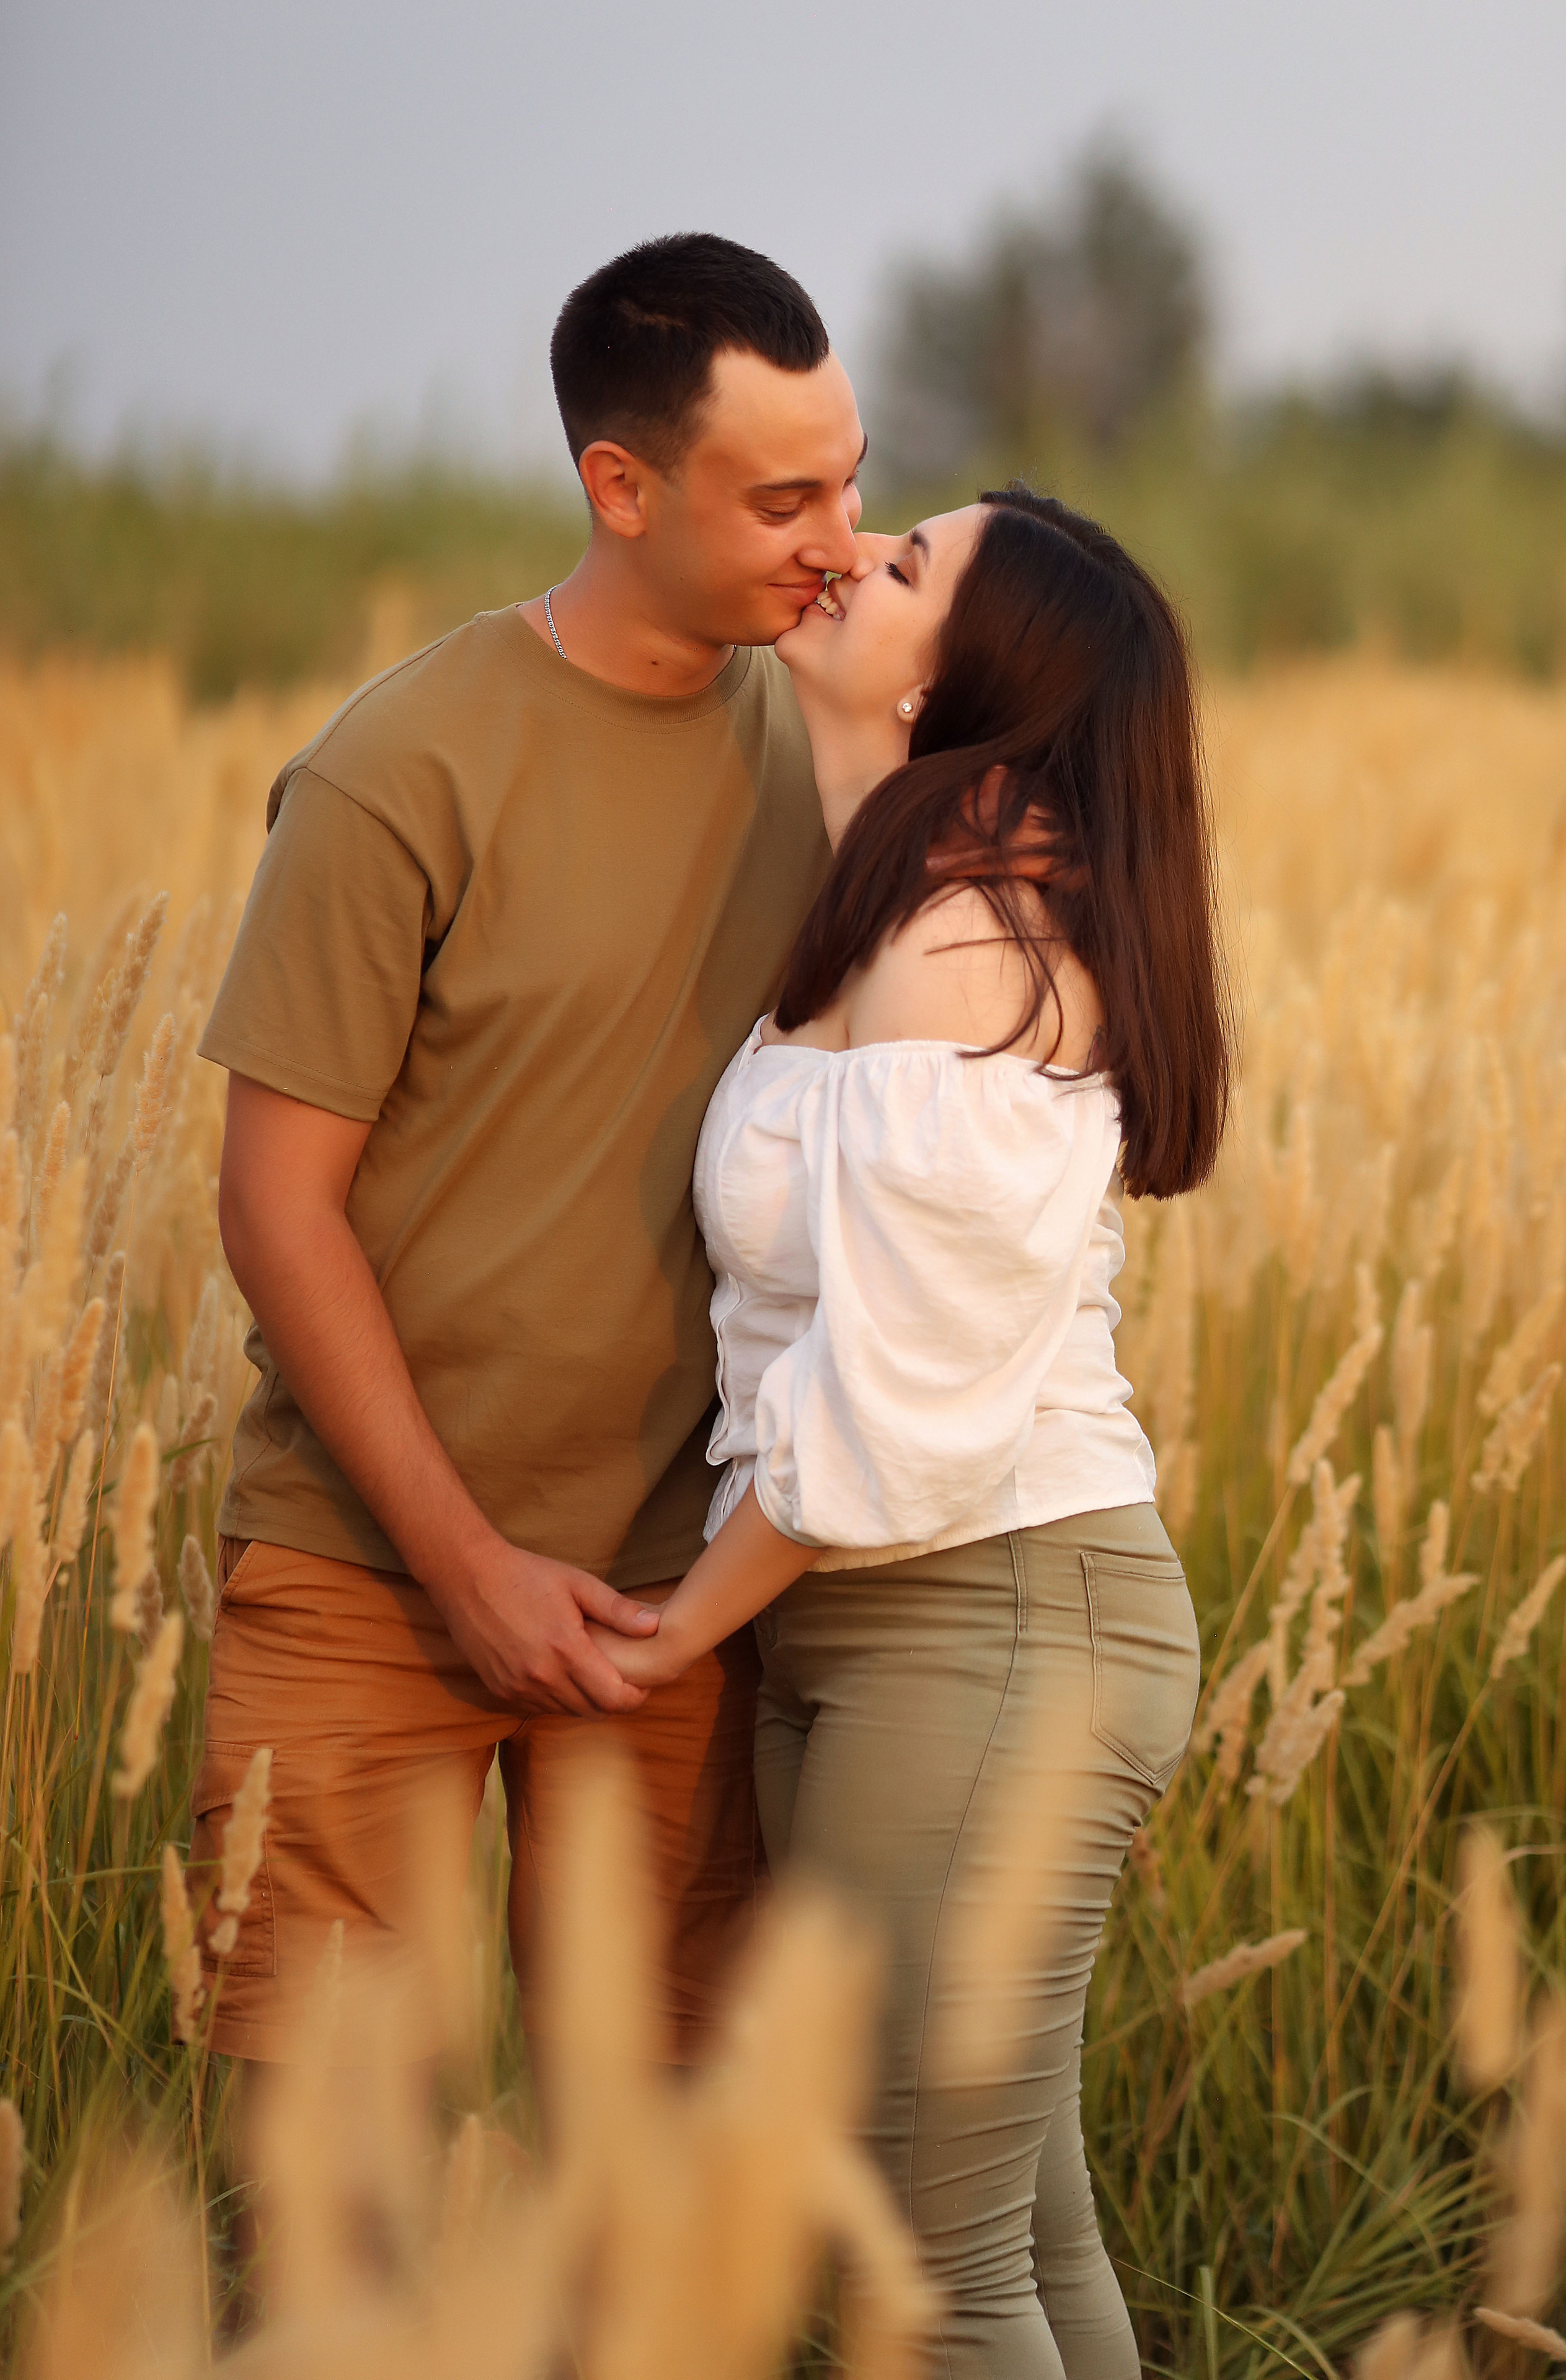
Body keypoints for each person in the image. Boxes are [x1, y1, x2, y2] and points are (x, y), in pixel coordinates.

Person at [190, 231, 872, 2064]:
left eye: (853, 479)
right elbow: (278, 1201)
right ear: (621, 486)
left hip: (680, 1591)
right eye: (785, 494)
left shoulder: (838, 762)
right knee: (329, 2211)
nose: (842, 536)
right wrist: (464, 1563)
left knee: (651, 2219)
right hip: (363, 1567)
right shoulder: (401, 767)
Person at [592, 485, 1232, 2379]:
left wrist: (679, 1628)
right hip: (904, 1630)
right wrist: (834, 699)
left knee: (923, 2274)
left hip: (991, 1622)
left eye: (907, 563)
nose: (857, 556)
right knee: (1015, 2239)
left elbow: (897, 1405)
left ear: (975, 674)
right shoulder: (900, 901)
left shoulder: (969, 949)